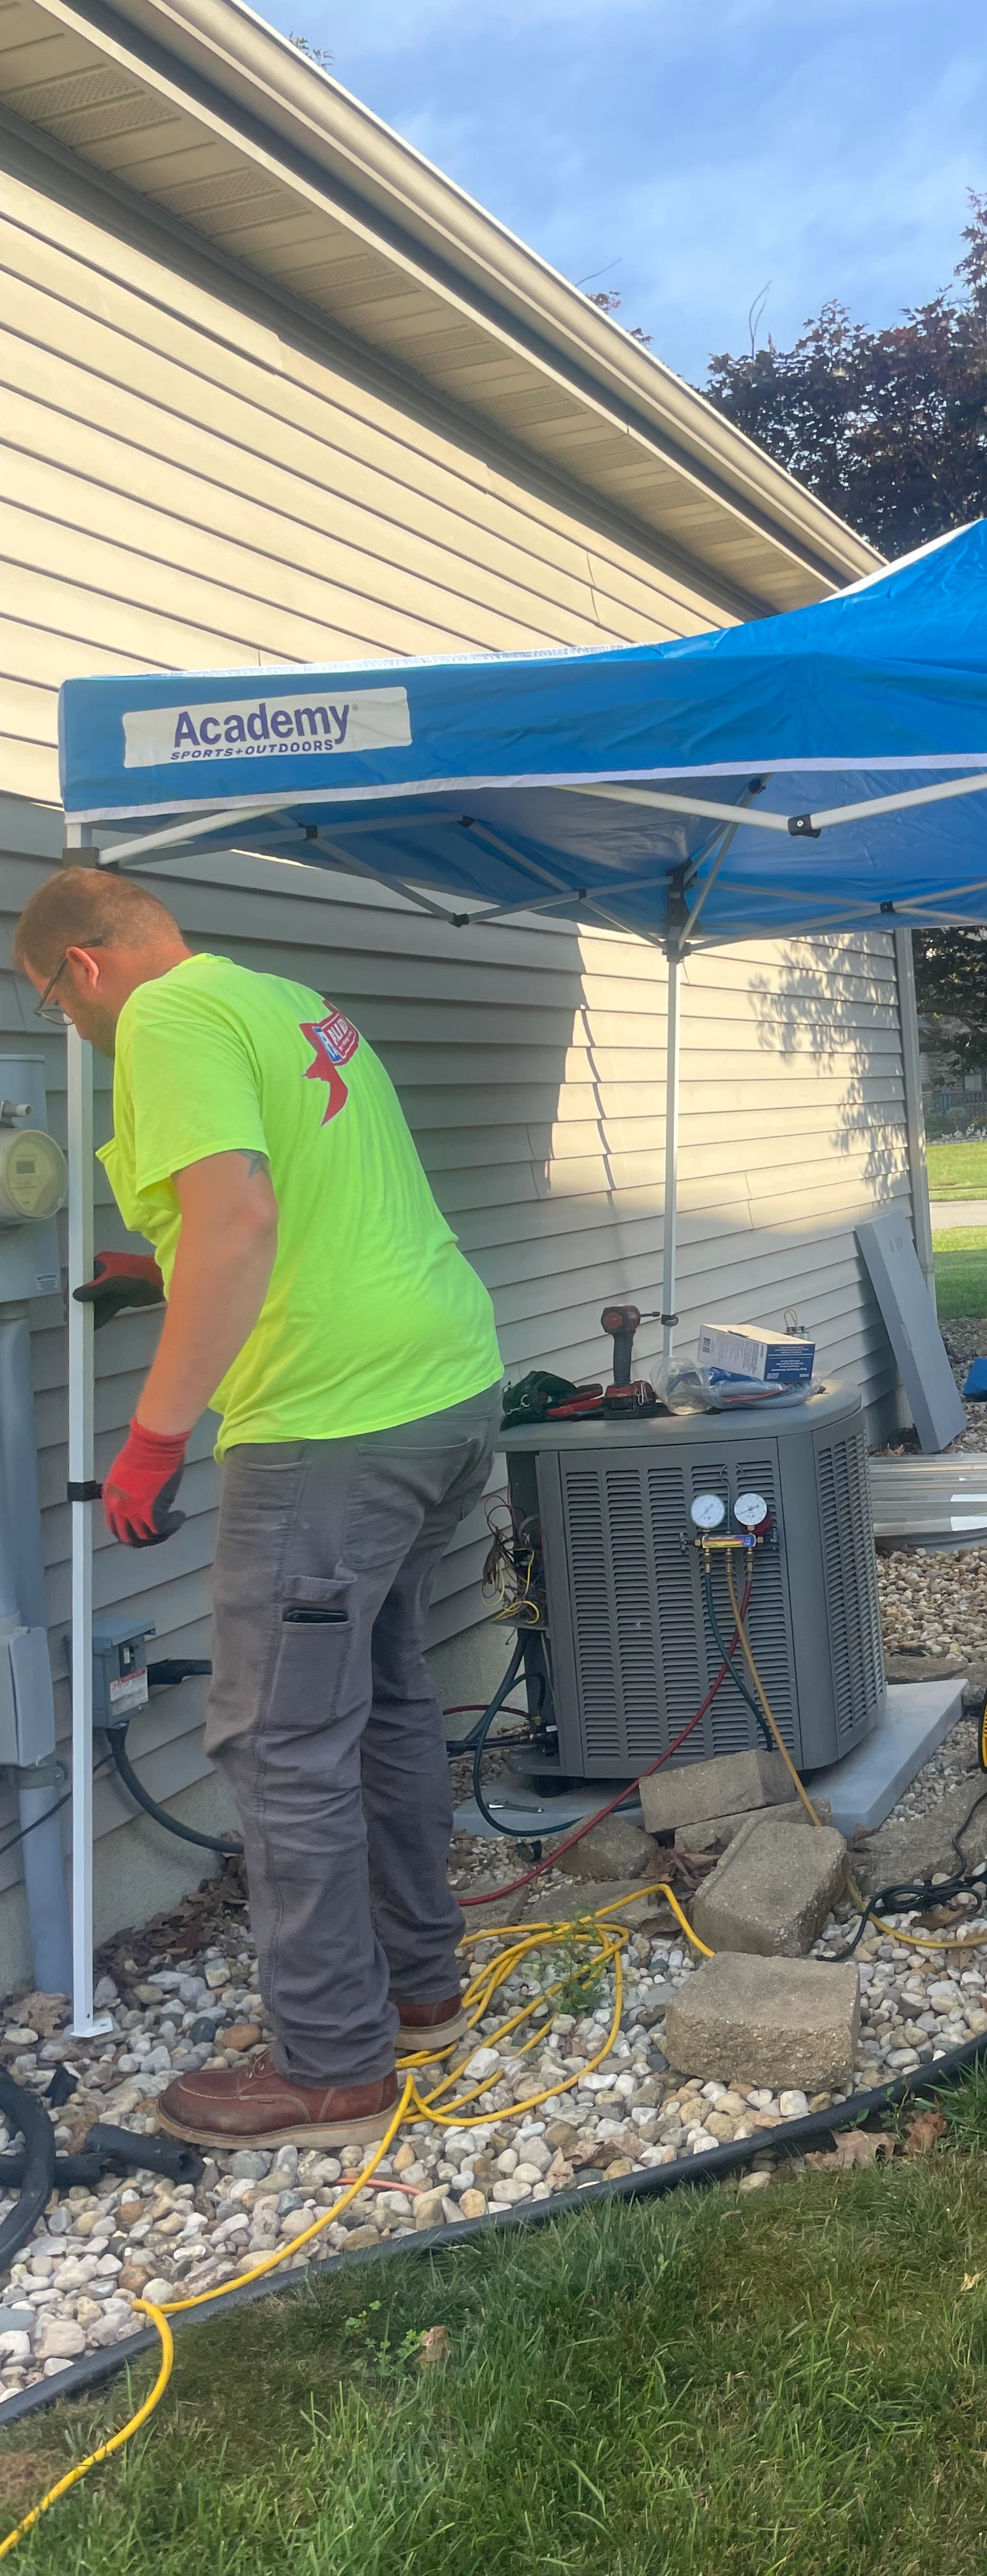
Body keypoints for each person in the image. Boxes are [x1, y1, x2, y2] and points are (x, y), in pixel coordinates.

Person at [13, 869, 503, 2148]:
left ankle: (332, 2066)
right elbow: (274, 1206)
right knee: (385, 1701)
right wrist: (155, 1268)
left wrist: (153, 1439)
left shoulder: (165, 1021)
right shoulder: (284, 999)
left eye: (53, 1002)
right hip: (443, 1390)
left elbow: (239, 1223)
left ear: (85, 967)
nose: (70, 1030)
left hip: (333, 1425)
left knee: (280, 1746)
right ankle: (418, 1985)